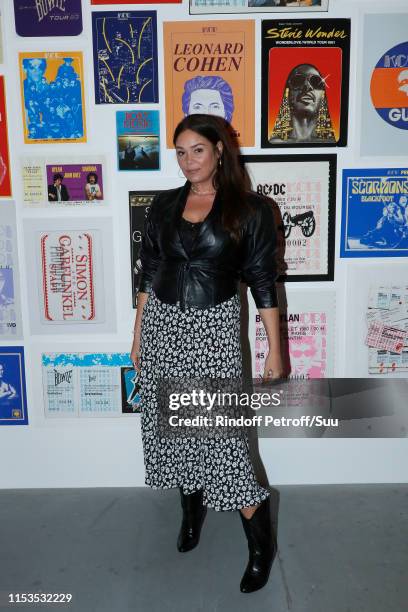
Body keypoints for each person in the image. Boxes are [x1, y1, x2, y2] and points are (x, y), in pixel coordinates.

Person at [130, 114, 283, 593]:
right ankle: (191, 513)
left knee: (224, 441)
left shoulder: (251, 209)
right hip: (163, 327)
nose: (188, 160)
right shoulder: (163, 205)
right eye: (180, 151)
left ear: (220, 150)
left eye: (197, 149)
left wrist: (274, 348)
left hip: (214, 330)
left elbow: (263, 281)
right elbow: (149, 268)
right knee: (174, 429)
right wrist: (137, 334)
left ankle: (261, 545)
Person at [269, 63, 336, 144]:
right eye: (298, 81)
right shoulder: (274, 144)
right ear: (288, 93)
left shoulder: (331, 144)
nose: (308, 87)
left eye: (316, 82)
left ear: (323, 95)